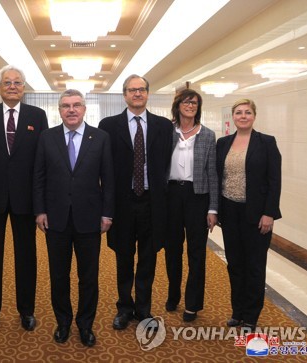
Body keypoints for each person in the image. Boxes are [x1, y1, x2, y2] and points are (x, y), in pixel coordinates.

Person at [33, 89, 114, 347]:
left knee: (88, 276)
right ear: (59, 110)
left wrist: (107, 213)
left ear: (84, 109)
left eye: (76, 105)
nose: (71, 110)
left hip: (90, 218)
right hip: (55, 218)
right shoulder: (47, 137)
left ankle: (85, 324)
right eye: (66, 105)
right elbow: (39, 177)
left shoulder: (100, 137)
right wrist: (40, 210)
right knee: (58, 275)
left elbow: (109, 180)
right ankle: (63, 322)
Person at [0, 65, 49, 334]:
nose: (13, 86)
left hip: (26, 200)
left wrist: (41, 203)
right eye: (7, 82)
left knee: (26, 256)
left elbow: (43, 163)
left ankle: (26, 310)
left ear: (24, 87)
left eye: (18, 82)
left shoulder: (37, 116)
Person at [98, 74, 173, 330]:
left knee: (148, 258)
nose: (137, 94)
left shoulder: (163, 126)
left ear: (148, 93)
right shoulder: (108, 125)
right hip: (122, 202)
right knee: (124, 256)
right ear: (125, 95)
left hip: (152, 202)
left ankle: (143, 309)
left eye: (141, 89)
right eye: (132, 90)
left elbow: (166, 164)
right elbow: (104, 167)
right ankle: (123, 307)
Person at [216, 99, 282, 331]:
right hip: (229, 212)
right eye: (238, 113)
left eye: (247, 112)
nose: (243, 116)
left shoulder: (266, 142)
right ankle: (238, 312)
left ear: (254, 116)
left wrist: (269, 213)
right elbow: (217, 178)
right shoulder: (223, 143)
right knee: (234, 264)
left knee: (254, 265)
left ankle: (251, 316)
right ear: (232, 117)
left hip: (256, 214)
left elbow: (275, 181)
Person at [164, 89, 218, 322]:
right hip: (171, 196)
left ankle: (193, 304)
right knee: (172, 250)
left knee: (196, 253)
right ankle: (173, 294)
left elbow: (213, 173)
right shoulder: (167, 131)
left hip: (198, 197)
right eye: (186, 102)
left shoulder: (207, 135)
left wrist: (213, 208)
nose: (190, 105)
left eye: (194, 102)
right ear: (178, 105)